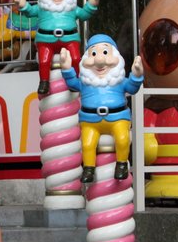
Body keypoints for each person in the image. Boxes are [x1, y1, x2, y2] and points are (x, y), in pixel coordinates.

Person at [59, 36, 144, 183]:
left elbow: (132, 88)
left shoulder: (119, 81)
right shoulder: (85, 82)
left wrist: (137, 75)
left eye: (105, 53)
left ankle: (122, 165)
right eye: (93, 54)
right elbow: (72, 84)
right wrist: (67, 69)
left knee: (123, 140)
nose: (99, 60)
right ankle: (88, 169)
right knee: (87, 144)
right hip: (90, 120)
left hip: (117, 118)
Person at [11, 0, 99, 96]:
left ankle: (76, 80)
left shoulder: (72, 7)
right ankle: (44, 81)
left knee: (75, 58)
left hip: (69, 39)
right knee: (44, 61)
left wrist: (91, 5)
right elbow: (30, 12)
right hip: (46, 40)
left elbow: (84, 14)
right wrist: (23, 5)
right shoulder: (42, 7)